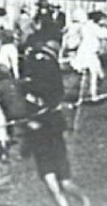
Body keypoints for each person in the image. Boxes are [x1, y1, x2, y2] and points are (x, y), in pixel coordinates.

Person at [22, 39, 90, 206]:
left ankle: (86, 201)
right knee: (52, 184)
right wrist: (30, 125)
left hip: (53, 145)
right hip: (41, 147)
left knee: (65, 183)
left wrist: (37, 123)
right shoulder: (29, 98)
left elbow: (56, 122)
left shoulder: (53, 104)